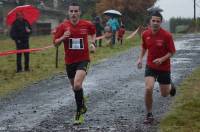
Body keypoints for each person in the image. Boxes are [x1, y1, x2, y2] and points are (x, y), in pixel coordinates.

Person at [53, 2, 96, 125]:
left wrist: (93, 43)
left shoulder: (86, 24)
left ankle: (79, 113)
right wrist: (62, 38)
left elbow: (93, 32)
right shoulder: (63, 26)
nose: (73, 13)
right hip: (69, 62)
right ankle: (82, 103)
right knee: (75, 88)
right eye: (71, 11)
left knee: (77, 85)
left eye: (76, 11)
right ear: (68, 12)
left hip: (83, 60)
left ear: (79, 12)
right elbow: (55, 43)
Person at [136, 11, 176, 124]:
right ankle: (149, 114)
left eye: (158, 21)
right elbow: (144, 47)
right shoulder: (145, 34)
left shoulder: (167, 35)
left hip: (164, 68)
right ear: (150, 21)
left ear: (161, 22)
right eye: (153, 20)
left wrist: (162, 59)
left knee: (164, 94)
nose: (155, 23)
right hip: (151, 66)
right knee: (148, 88)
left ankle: (170, 86)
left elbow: (172, 52)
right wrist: (140, 59)